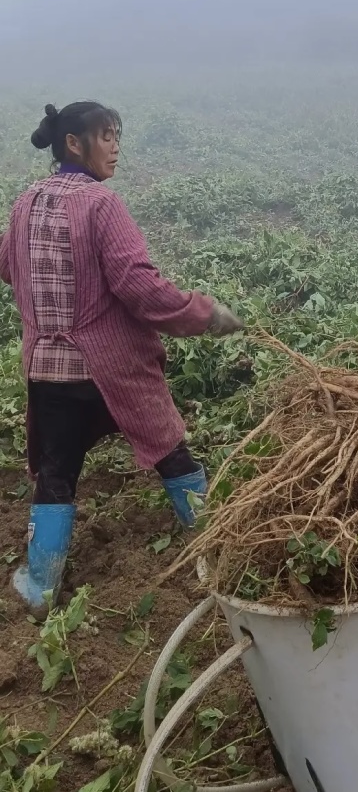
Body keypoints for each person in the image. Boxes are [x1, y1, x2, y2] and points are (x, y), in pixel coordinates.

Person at [0, 102, 244, 615]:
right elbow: (140, 287)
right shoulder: (100, 205)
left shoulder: (25, 203)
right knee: (170, 450)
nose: (115, 146)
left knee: (56, 474)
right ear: (74, 143)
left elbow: (8, 265)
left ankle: (40, 587)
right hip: (111, 368)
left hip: (48, 367)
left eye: (117, 136)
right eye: (106, 136)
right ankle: (222, 554)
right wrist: (203, 314)